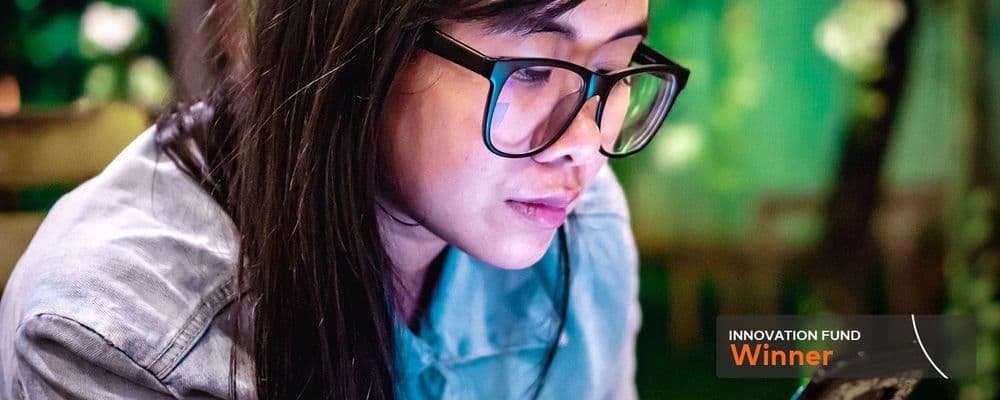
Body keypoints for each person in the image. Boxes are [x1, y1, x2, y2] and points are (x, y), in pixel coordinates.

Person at [0, 0, 689, 398]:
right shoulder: (111, 336)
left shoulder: (583, 229)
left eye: (614, 71)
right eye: (535, 68)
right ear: (363, 42)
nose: (587, 143)